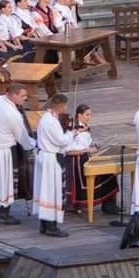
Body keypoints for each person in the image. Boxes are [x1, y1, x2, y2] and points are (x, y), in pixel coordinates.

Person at [32, 93, 87, 237]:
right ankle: (51, 225)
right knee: (52, 192)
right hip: (51, 158)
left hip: (45, 156)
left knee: (46, 191)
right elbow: (61, 141)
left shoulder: (47, 117)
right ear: (61, 106)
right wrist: (73, 133)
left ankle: (45, 223)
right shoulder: (51, 121)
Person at [0, 84, 33, 225]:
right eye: (23, 96)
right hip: (4, 150)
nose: (25, 98)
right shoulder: (13, 114)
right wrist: (33, 144)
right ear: (14, 95)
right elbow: (22, 138)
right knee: (5, 181)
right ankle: (4, 214)